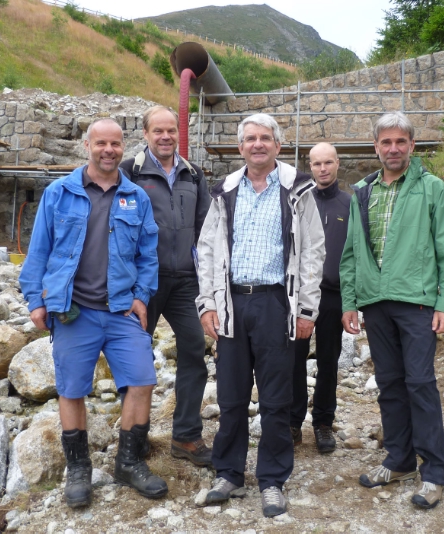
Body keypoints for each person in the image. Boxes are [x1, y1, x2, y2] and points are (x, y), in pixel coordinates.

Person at [19, 118, 167, 508]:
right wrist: (35, 300)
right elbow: (39, 251)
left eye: (115, 144)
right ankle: (78, 469)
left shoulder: (136, 197)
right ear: (87, 145)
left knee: (142, 381)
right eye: (101, 143)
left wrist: (141, 296)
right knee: (72, 389)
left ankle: (128, 463)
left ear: (123, 147)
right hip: (74, 311)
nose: (108, 150)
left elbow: (148, 255)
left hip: (121, 311)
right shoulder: (59, 193)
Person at [196, 113, 325, 518]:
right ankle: (229, 473)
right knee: (231, 397)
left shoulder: (297, 189)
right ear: (241, 147)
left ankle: (272, 480)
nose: (257, 144)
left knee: (276, 399)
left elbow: (313, 251)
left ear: (277, 145)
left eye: (265, 138)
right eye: (250, 138)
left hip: (276, 304)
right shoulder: (224, 192)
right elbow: (206, 250)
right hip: (232, 303)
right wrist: (207, 303)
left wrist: (307, 309)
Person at [339, 112, 444, 510]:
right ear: (376, 147)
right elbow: (350, 252)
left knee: (420, 383)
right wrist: (349, 301)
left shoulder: (431, 189)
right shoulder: (362, 192)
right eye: (386, 142)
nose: (393, 149)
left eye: (400, 142)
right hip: (376, 303)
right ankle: (399, 460)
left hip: (417, 302)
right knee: (389, 384)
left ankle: (434, 472)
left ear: (412, 145)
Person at [119, 106, 212, 467]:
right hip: (143, 282)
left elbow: (205, 229)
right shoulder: (130, 171)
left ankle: (185, 436)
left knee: (194, 349)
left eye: (171, 130)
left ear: (178, 132)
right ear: (145, 134)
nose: (165, 137)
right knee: (134, 357)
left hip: (185, 281)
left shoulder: (193, 174)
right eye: (157, 131)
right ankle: (136, 437)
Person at [290, 142, 351, 454]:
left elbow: (356, 254)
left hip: (333, 295)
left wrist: (353, 300)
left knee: (328, 361)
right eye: (316, 163)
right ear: (309, 166)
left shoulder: (349, 204)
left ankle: (324, 422)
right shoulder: (299, 202)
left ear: (337, 163)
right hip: (299, 295)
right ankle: (292, 421)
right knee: (294, 360)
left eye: (328, 162)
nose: (323, 169)